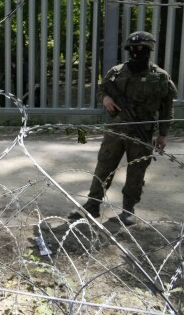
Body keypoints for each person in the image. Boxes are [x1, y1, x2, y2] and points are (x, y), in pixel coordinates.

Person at [68, 31, 177, 225]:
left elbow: (167, 108)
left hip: (142, 130)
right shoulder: (116, 72)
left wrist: (163, 135)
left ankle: (128, 209)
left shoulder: (160, 77)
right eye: (133, 48)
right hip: (115, 130)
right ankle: (92, 205)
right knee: (104, 167)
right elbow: (102, 90)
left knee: (136, 171)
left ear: (149, 50)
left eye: (142, 48)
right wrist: (106, 99)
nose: (137, 52)